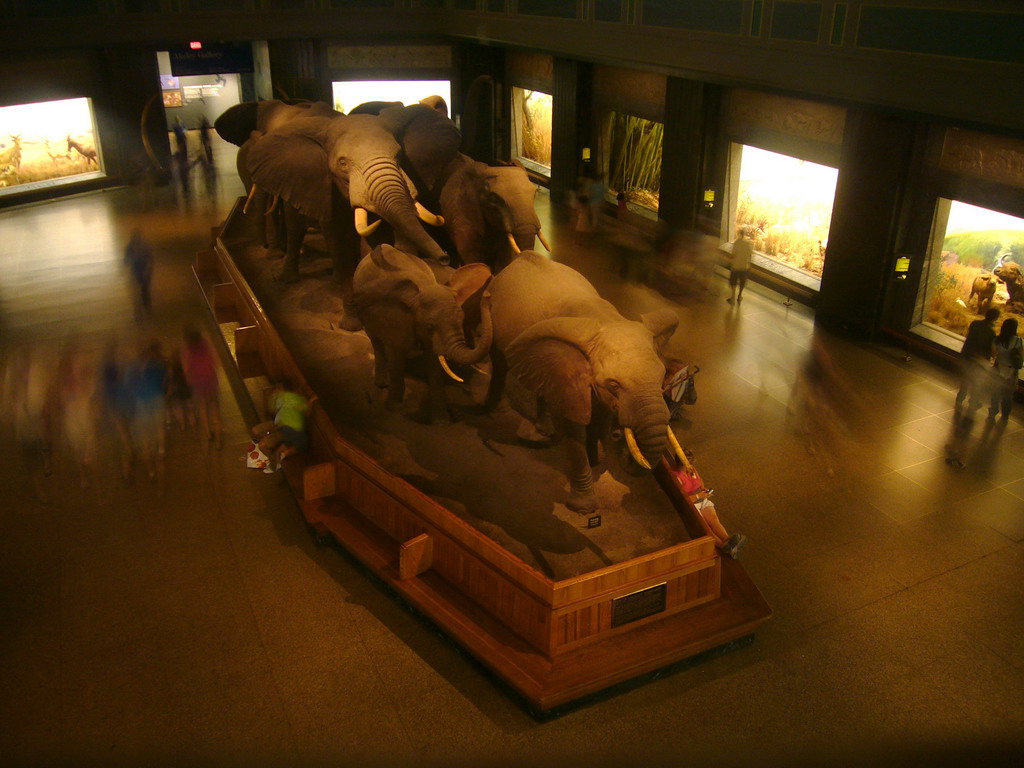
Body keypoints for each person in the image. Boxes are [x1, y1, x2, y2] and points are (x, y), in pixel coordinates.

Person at [668, 452, 746, 558]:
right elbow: (681, 498)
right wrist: (698, 496)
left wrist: (703, 489)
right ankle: (723, 545)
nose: (690, 465)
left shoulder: (691, 469)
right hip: (691, 503)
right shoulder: (676, 476)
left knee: (713, 520)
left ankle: (729, 541)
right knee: (705, 525)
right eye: (688, 463)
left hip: (701, 498)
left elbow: (700, 481)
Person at [250, 378, 309, 472]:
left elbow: (273, 412)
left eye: (279, 388)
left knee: (283, 444)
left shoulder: (282, 398)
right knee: (300, 445)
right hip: (290, 428)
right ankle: (279, 457)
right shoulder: (294, 398)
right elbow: (306, 409)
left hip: (283, 428)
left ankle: (276, 459)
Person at [954, 307, 999, 415]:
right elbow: (989, 348)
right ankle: (973, 402)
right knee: (977, 383)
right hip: (979, 359)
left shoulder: (975, 323)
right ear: (995, 318)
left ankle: (960, 397)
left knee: (965, 379)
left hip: (967, 354)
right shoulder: (991, 332)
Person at [181, 325, 220, 448]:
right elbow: (216, 362)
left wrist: (189, 383)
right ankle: (219, 440)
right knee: (214, 409)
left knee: (203, 408)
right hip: (211, 380)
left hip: (198, 383)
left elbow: (186, 370)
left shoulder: (187, 350)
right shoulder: (207, 345)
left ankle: (208, 434)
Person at [988, 317, 1022, 421]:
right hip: (1012, 373)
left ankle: (993, 411)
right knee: (1008, 396)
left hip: (998, 371)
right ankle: (1005, 415)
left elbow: (993, 355)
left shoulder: (997, 340)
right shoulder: (1019, 341)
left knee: (995, 393)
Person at [124, 227, 153, 315]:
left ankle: (142, 308)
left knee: (142, 290)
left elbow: (126, 261)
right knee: (144, 290)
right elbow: (150, 259)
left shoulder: (130, 247)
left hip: (139, 271)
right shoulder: (143, 246)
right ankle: (145, 307)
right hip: (141, 271)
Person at [727, 227, 753, 304]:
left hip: (736, 266)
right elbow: (750, 255)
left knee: (733, 282)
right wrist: (749, 264)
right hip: (744, 266)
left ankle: (732, 297)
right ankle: (740, 295)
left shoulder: (737, 242)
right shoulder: (748, 243)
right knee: (742, 282)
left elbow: (733, 254)